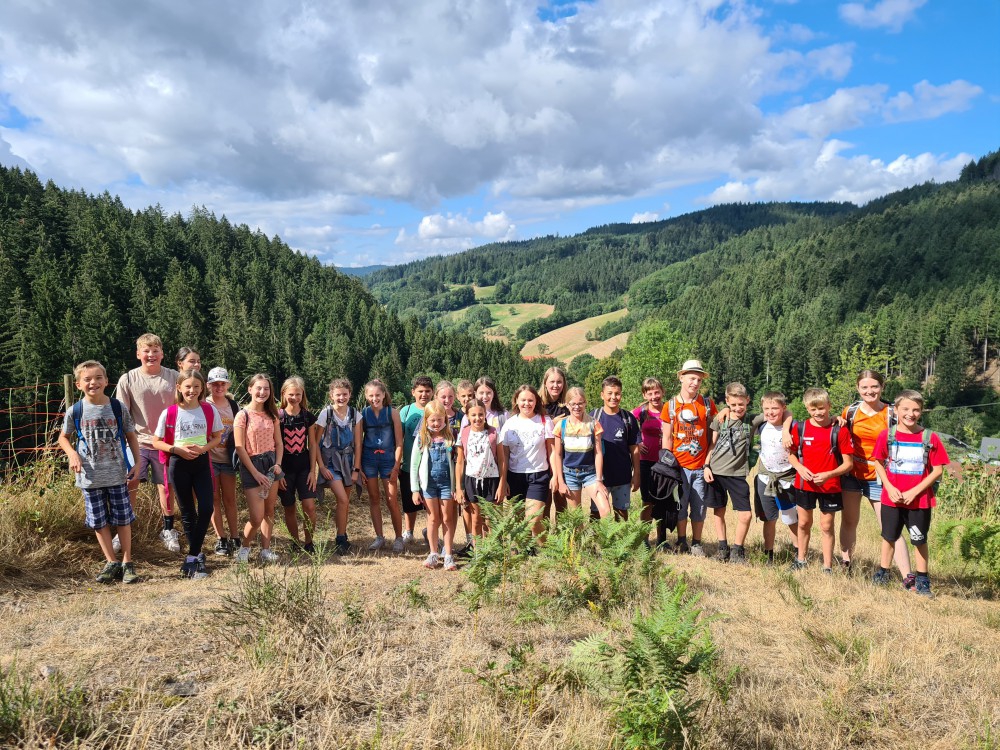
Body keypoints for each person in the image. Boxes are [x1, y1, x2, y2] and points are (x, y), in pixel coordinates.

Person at [58, 360, 142, 584]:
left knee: (123, 519)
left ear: (106, 381)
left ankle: (127, 563)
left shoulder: (117, 407)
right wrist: (72, 454)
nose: (93, 383)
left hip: (117, 474)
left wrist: (137, 463)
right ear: (78, 385)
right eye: (87, 379)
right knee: (98, 521)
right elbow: (63, 438)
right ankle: (111, 562)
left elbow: (131, 435)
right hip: (89, 477)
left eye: (98, 378)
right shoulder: (75, 411)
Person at [839, 370, 914, 583]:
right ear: (858, 388)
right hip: (852, 474)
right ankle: (846, 566)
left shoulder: (892, 413)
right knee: (849, 521)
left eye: (874, 386)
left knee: (890, 526)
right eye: (864, 387)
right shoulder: (850, 412)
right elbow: (840, 434)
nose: (869, 391)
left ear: (882, 387)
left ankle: (908, 577)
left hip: (881, 477)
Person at [871, 390, 948, 597]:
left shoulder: (929, 437)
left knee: (919, 539)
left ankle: (922, 579)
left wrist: (915, 491)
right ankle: (883, 572)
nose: (910, 414)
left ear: (921, 411)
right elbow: (878, 462)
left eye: (916, 410)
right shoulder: (887, 435)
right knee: (889, 537)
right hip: (891, 499)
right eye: (905, 409)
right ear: (896, 410)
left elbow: (938, 470)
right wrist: (888, 487)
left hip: (919, 500)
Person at [151, 368, 223, 578]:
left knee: (207, 507)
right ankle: (196, 557)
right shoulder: (170, 412)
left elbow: (217, 437)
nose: (192, 390)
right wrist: (176, 450)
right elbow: (156, 442)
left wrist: (203, 449)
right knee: (188, 512)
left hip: (201, 463)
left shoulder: (209, 410)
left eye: (196, 386)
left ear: (202, 388)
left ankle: (192, 555)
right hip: (178, 463)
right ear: (179, 387)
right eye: (188, 386)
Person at [114, 333, 181, 553]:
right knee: (130, 484)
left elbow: (184, 407)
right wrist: (123, 443)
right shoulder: (128, 379)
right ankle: (123, 531)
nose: (151, 355)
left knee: (166, 487)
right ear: (138, 354)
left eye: (155, 351)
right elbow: (122, 414)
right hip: (138, 442)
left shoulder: (174, 377)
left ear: (162, 354)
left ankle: (168, 530)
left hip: (167, 442)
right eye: (146, 351)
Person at [787, 388, 854, 572]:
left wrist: (828, 475)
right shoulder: (800, 428)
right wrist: (800, 468)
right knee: (803, 523)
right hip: (804, 484)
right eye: (813, 409)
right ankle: (801, 560)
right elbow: (791, 454)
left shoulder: (839, 430)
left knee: (826, 526)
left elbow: (848, 464)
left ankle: (827, 567)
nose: (818, 412)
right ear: (807, 409)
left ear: (829, 406)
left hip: (830, 486)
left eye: (822, 408)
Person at [660, 359, 717, 555]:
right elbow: (667, 438)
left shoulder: (707, 405)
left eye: (699, 380)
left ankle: (697, 543)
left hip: (701, 467)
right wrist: (668, 468)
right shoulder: (670, 406)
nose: (695, 383)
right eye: (692, 378)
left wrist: (708, 463)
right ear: (681, 377)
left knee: (699, 508)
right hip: (679, 468)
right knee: (681, 507)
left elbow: (715, 431)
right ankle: (682, 541)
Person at [704, 383, 760, 564]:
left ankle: (737, 550)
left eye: (741, 404)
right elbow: (712, 445)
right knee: (718, 511)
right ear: (727, 401)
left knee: (746, 514)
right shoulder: (719, 420)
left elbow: (783, 411)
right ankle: (722, 547)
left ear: (748, 400)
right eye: (733, 404)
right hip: (716, 472)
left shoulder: (752, 420)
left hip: (737, 475)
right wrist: (706, 466)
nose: (737, 408)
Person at [233, 373, 284, 564]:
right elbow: (239, 447)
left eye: (266, 389)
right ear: (250, 389)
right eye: (258, 388)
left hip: (271, 464)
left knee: (269, 511)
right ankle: (244, 548)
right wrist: (255, 473)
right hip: (251, 465)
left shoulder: (273, 415)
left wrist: (278, 464)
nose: (262, 392)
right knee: (256, 517)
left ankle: (265, 550)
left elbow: (279, 443)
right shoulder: (242, 415)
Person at [499, 384, 555, 540]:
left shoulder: (544, 421)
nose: (527, 404)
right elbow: (504, 456)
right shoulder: (509, 424)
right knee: (520, 523)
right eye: (523, 400)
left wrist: (556, 475)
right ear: (516, 400)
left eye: (530, 400)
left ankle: (547, 549)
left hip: (538, 476)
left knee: (534, 520)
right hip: (515, 476)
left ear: (536, 401)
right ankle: (527, 550)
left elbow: (552, 452)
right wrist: (504, 480)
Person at [314, 378, 363, 555]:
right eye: (338, 395)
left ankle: (341, 536)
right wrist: (321, 467)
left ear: (350, 394)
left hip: (348, 462)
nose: (341, 398)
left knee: (344, 502)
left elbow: (358, 443)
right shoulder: (325, 414)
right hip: (330, 463)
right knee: (342, 499)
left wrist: (356, 469)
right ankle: (340, 539)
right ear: (331, 396)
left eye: (344, 394)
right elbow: (315, 443)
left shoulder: (355, 415)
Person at [752, 392, 799, 563]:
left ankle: (799, 553)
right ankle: (769, 554)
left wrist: (786, 429)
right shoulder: (761, 425)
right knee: (769, 518)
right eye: (766, 408)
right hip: (765, 478)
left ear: (783, 408)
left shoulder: (793, 427)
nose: (770, 412)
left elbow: (789, 414)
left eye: (775, 408)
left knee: (791, 518)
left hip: (787, 479)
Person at [410, 402, 458, 570]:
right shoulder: (422, 438)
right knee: (432, 518)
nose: (436, 423)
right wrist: (415, 489)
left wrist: (456, 487)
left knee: (447, 518)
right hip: (428, 485)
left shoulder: (451, 437)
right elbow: (414, 465)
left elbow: (457, 463)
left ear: (445, 419)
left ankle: (448, 554)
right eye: (432, 420)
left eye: (439, 420)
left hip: (446, 484)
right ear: (426, 420)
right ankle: (433, 553)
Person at [359, 379, 405, 553]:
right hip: (369, 459)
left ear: (384, 395)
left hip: (388, 460)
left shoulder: (392, 413)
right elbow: (358, 441)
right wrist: (359, 467)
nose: (374, 398)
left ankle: (399, 538)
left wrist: (396, 466)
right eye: (371, 395)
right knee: (374, 498)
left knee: (392, 499)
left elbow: (399, 442)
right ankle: (379, 537)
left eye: (378, 395)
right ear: (366, 396)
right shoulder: (363, 414)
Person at [553, 387, 611, 518]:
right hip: (570, 474)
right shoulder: (561, 425)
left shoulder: (594, 424)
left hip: (590, 473)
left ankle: (605, 533)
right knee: (576, 517)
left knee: (606, 510)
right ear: (567, 405)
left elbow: (598, 453)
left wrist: (599, 480)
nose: (577, 407)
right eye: (573, 404)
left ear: (585, 403)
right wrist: (561, 481)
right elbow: (557, 454)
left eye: (580, 403)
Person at [277, 376, 320, 554]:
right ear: (283, 394)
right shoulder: (277, 416)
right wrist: (278, 474)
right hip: (285, 469)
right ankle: (295, 542)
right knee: (289, 507)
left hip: (304, 467)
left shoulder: (307, 417)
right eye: (291, 394)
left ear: (303, 395)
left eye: (298, 394)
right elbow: (275, 445)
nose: (294, 398)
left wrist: (312, 471)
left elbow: (313, 444)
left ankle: (309, 542)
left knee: (309, 506)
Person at [455, 399, 507, 542]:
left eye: (480, 414)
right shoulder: (464, 433)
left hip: (491, 479)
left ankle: (495, 550)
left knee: (493, 520)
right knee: (476, 519)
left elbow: (502, 460)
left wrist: (502, 484)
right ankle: (478, 552)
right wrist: (458, 488)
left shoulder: (494, 433)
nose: (477, 418)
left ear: (485, 415)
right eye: (473, 415)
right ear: (467, 416)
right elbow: (460, 462)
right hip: (472, 480)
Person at [591, 377, 641, 520]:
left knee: (622, 516)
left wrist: (636, 474)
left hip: (622, 477)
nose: (613, 397)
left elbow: (634, 448)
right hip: (599, 478)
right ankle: (594, 537)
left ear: (621, 395)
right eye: (610, 393)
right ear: (602, 395)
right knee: (596, 515)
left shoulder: (628, 418)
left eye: (617, 393)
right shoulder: (593, 417)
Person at [205, 367, 240, 556]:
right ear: (208, 385)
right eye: (215, 384)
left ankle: (235, 537)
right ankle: (221, 538)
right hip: (209, 459)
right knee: (214, 499)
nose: (219, 387)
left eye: (222, 384)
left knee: (230, 499)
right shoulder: (203, 404)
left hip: (228, 459)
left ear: (228, 385)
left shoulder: (233, 406)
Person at [398, 376, 434, 548]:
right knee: (409, 502)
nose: (424, 394)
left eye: (427, 391)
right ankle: (409, 531)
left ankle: (430, 531)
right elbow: (399, 438)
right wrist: (397, 462)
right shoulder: (406, 411)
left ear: (432, 392)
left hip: (430, 465)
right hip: (409, 465)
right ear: (413, 392)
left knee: (430, 502)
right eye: (420, 391)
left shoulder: (435, 409)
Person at [634, 377, 667, 545]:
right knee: (647, 502)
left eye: (657, 392)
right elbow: (626, 426)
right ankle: (644, 540)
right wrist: (637, 443)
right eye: (650, 393)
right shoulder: (640, 412)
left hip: (666, 463)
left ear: (662, 392)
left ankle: (662, 540)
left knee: (663, 501)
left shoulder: (669, 410)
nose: (654, 396)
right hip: (646, 462)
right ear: (644, 395)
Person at [539, 367, 569, 521]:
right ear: (545, 383)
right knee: (544, 503)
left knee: (561, 501)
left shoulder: (568, 405)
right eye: (552, 382)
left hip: (563, 458)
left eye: (559, 382)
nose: (555, 385)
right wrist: (553, 422)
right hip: (541, 459)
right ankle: (544, 535)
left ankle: (561, 534)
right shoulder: (537, 404)